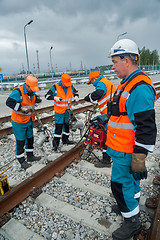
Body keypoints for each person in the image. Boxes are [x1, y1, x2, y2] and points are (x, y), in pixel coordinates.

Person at [102, 39, 157, 240]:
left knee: (119, 184)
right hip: (120, 147)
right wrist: (105, 117)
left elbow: (147, 126)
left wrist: (139, 157)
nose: (113, 66)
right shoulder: (126, 83)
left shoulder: (139, 87)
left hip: (128, 150)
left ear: (127, 59)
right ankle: (131, 207)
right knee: (130, 184)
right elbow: (121, 112)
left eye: (115, 62)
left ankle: (132, 222)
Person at [6, 76, 42, 170]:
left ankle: (30, 156)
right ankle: (21, 160)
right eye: (32, 89)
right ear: (27, 86)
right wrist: (20, 108)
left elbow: (32, 102)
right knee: (21, 141)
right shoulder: (18, 92)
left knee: (30, 139)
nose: (34, 91)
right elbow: (9, 102)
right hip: (19, 122)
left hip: (29, 120)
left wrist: (37, 100)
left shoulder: (32, 93)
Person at [84, 71, 116, 168]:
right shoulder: (106, 81)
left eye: (92, 82)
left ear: (94, 79)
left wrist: (89, 97)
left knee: (107, 137)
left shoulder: (101, 83)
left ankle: (106, 161)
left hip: (109, 115)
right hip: (112, 113)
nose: (93, 85)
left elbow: (99, 93)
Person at [45, 73, 79, 152]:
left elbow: (76, 92)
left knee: (67, 126)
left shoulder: (70, 86)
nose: (67, 86)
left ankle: (65, 140)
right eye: (66, 84)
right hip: (59, 112)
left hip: (67, 111)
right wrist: (54, 97)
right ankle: (55, 145)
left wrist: (76, 96)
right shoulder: (55, 87)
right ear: (62, 82)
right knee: (58, 128)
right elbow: (47, 96)